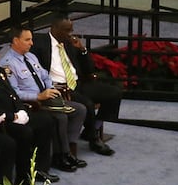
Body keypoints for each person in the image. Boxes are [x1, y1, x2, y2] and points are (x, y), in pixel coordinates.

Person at [0, 34, 58, 180]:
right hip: (0, 122)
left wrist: (21, 110)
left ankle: (40, 169)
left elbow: (12, 94)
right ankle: (24, 176)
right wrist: (12, 117)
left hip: (15, 115)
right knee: (24, 133)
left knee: (46, 121)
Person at [0, 26, 88, 171]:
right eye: (27, 40)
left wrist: (50, 88)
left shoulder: (30, 56)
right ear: (15, 41)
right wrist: (38, 96)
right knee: (60, 117)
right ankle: (60, 156)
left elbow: (45, 76)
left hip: (47, 97)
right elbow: (14, 93)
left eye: (31, 40)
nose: (31, 43)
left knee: (80, 109)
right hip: (33, 103)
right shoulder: (8, 64)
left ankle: (69, 149)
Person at [35, 18, 122, 155]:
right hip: (60, 88)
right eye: (67, 30)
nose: (70, 34)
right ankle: (94, 140)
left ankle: (92, 128)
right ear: (55, 28)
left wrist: (82, 50)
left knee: (114, 93)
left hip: (77, 83)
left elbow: (89, 70)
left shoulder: (70, 43)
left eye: (71, 30)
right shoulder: (40, 43)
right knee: (87, 104)